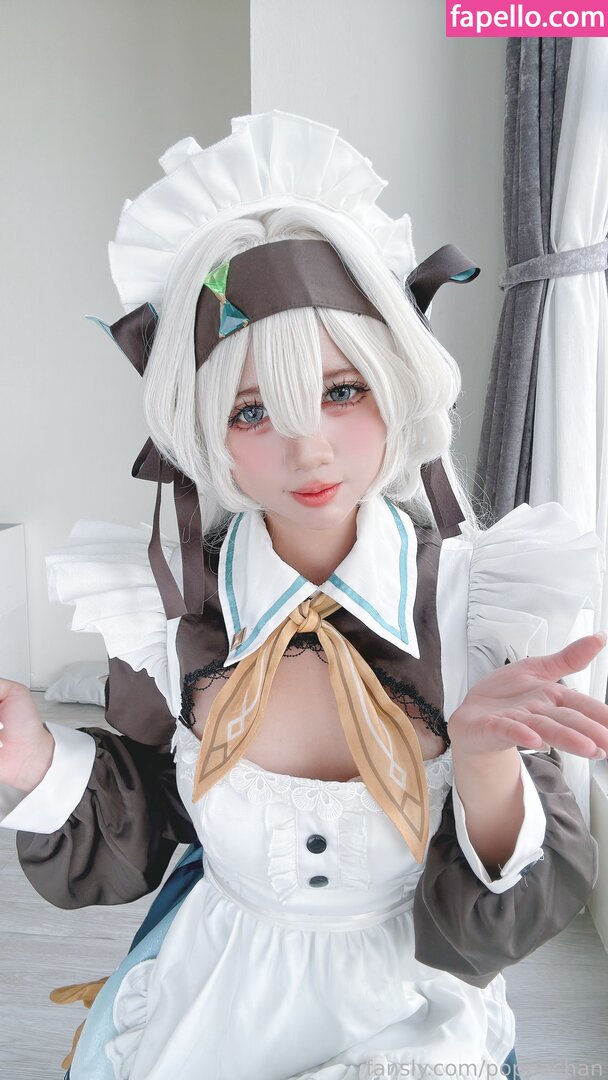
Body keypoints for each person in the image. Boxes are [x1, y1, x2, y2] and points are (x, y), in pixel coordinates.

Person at [0, 110, 606, 1080]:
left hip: (411, 1008)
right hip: (213, 996)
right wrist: (36, 761)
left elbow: (497, 921)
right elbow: (145, 823)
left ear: (394, 384)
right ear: (206, 432)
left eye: (341, 392)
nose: (309, 449)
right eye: (254, 411)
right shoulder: (174, 609)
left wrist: (485, 757)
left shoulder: (475, 602)